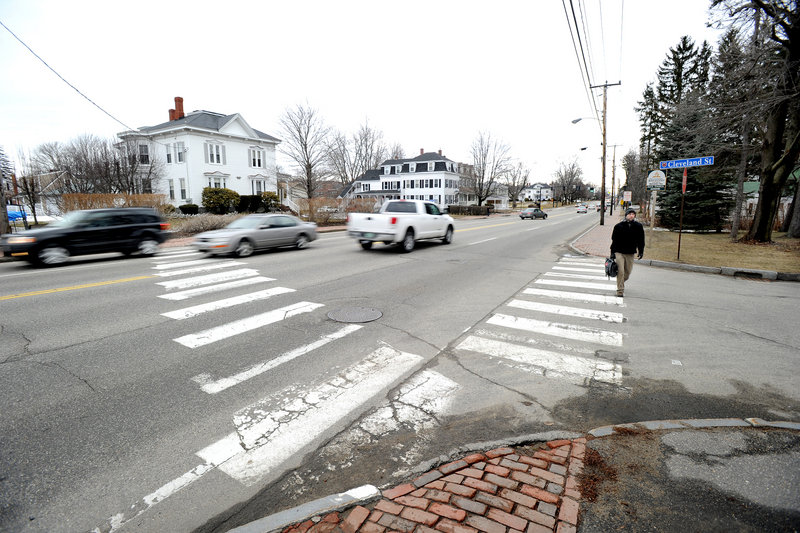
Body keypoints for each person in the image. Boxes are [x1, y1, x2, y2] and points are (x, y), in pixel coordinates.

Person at [610, 207, 645, 297]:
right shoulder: (618, 226)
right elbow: (614, 240)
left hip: (630, 252)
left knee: (627, 273)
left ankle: (620, 281)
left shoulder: (638, 226)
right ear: (626, 215)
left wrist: (641, 251)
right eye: (629, 214)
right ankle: (620, 291)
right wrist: (612, 253)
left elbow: (641, 240)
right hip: (619, 252)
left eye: (633, 214)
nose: (631, 216)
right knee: (621, 271)